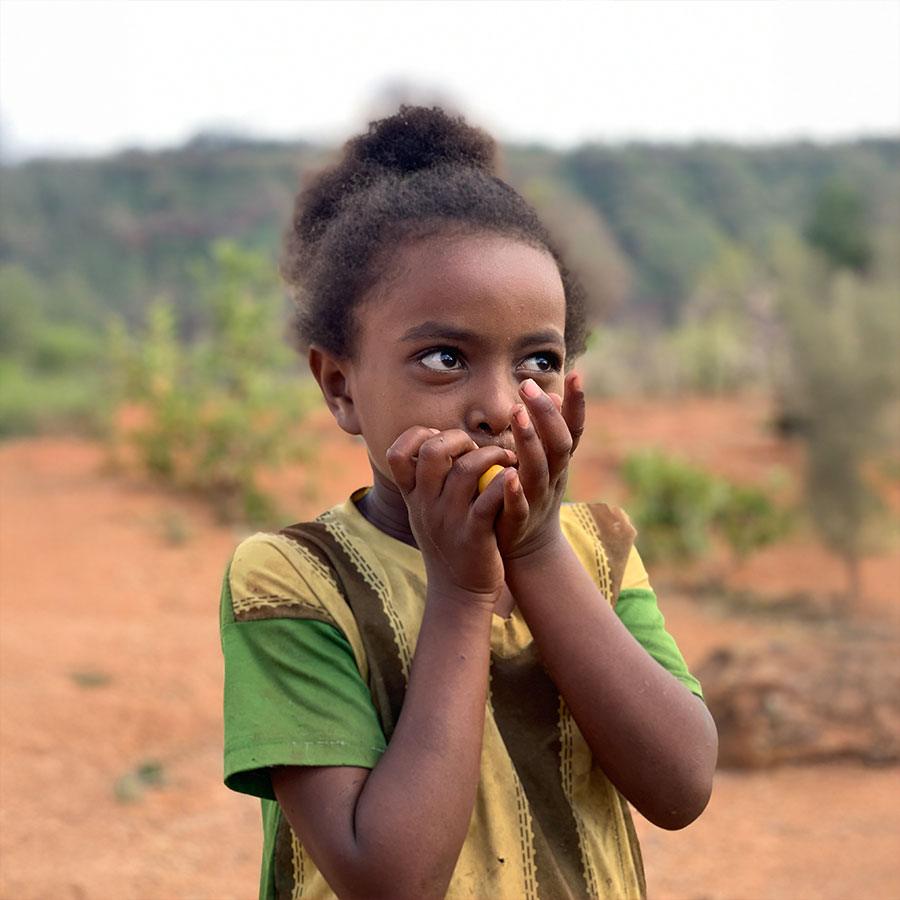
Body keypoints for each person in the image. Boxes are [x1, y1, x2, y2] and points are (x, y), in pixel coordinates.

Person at [220, 105, 717, 900]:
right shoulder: (291, 580)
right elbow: (388, 879)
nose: (498, 406)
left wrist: (538, 548)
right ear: (340, 385)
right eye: (445, 357)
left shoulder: (601, 550)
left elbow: (682, 785)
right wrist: (461, 591)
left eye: (539, 361)